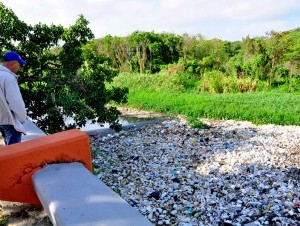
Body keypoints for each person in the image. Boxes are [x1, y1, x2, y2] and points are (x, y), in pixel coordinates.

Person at [0, 51, 27, 145]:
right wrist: (22, 119)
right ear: (13, 63)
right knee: (14, 155)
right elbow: (15, 103)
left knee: (8, 154)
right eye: (19, 64)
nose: (19, 67)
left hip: (1, 121)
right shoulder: (8, 78)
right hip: (10, 122)